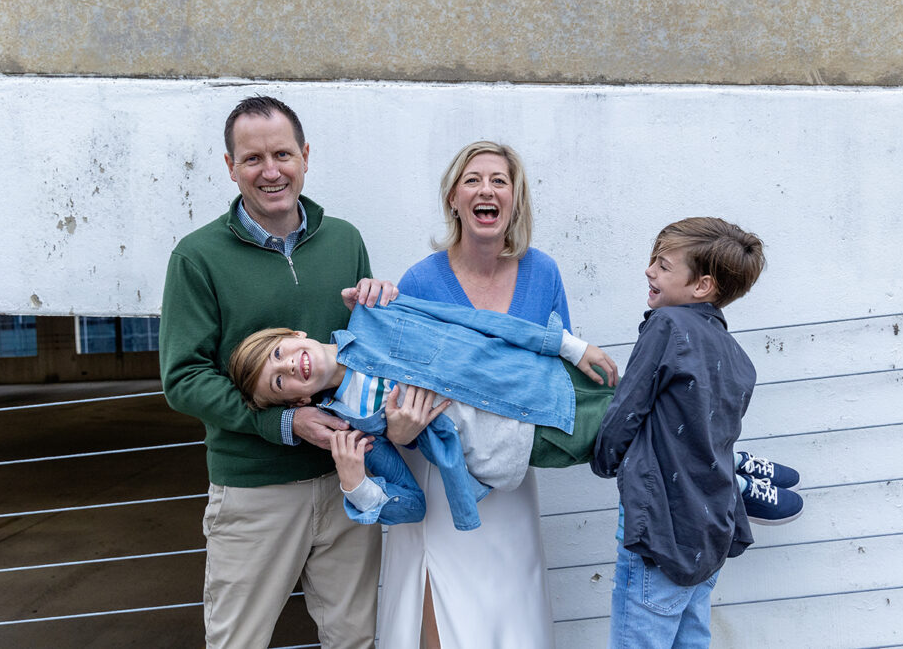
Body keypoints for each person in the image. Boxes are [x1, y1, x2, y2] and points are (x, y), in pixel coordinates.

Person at [158, 95, 432, 649]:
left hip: (347, 479)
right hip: (255, 490)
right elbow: (183, 378)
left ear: (305, 156)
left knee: (354, 639)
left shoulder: (344, 240)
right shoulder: (197, 257)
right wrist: (282, 425)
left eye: (282, 153)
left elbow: (362, 354)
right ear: (230, 167)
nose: (270, 171)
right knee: (239, 641)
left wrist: (382, 303)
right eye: (252, 159)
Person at [370, 141, 583, 648]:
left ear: (515, 199)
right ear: (452, 198)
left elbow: (555, 379)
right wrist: (398, 429)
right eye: (472, 179)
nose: (486, 190)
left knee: (510, 615)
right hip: (442, 475)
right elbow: (396, 388)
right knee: (442, 616)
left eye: (499, 181)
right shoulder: (420, 282)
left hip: (512, 478)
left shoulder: (543, 273)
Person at [224, 296, 618, 530]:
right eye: (278, 382)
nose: (289, 367)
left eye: (278, 354)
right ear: (297, 403)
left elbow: (470, 320)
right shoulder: (354, 429)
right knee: (638, 446)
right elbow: (412, 506)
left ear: (295, 336)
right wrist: (354, 483)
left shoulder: (374, 311)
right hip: (517, 445)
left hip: (542, 379)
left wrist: (566, 344)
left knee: (661, 411)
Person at [591, 217, 804, 648]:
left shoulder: (667, 325)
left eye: (664, 266)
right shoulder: (738, 357)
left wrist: (603, 459)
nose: (650, 270)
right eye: (653, 260)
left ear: (702, 286)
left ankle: (741, 472)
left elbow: (626, 410)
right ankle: (739, 472)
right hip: (707, 531)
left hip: (659, 530)